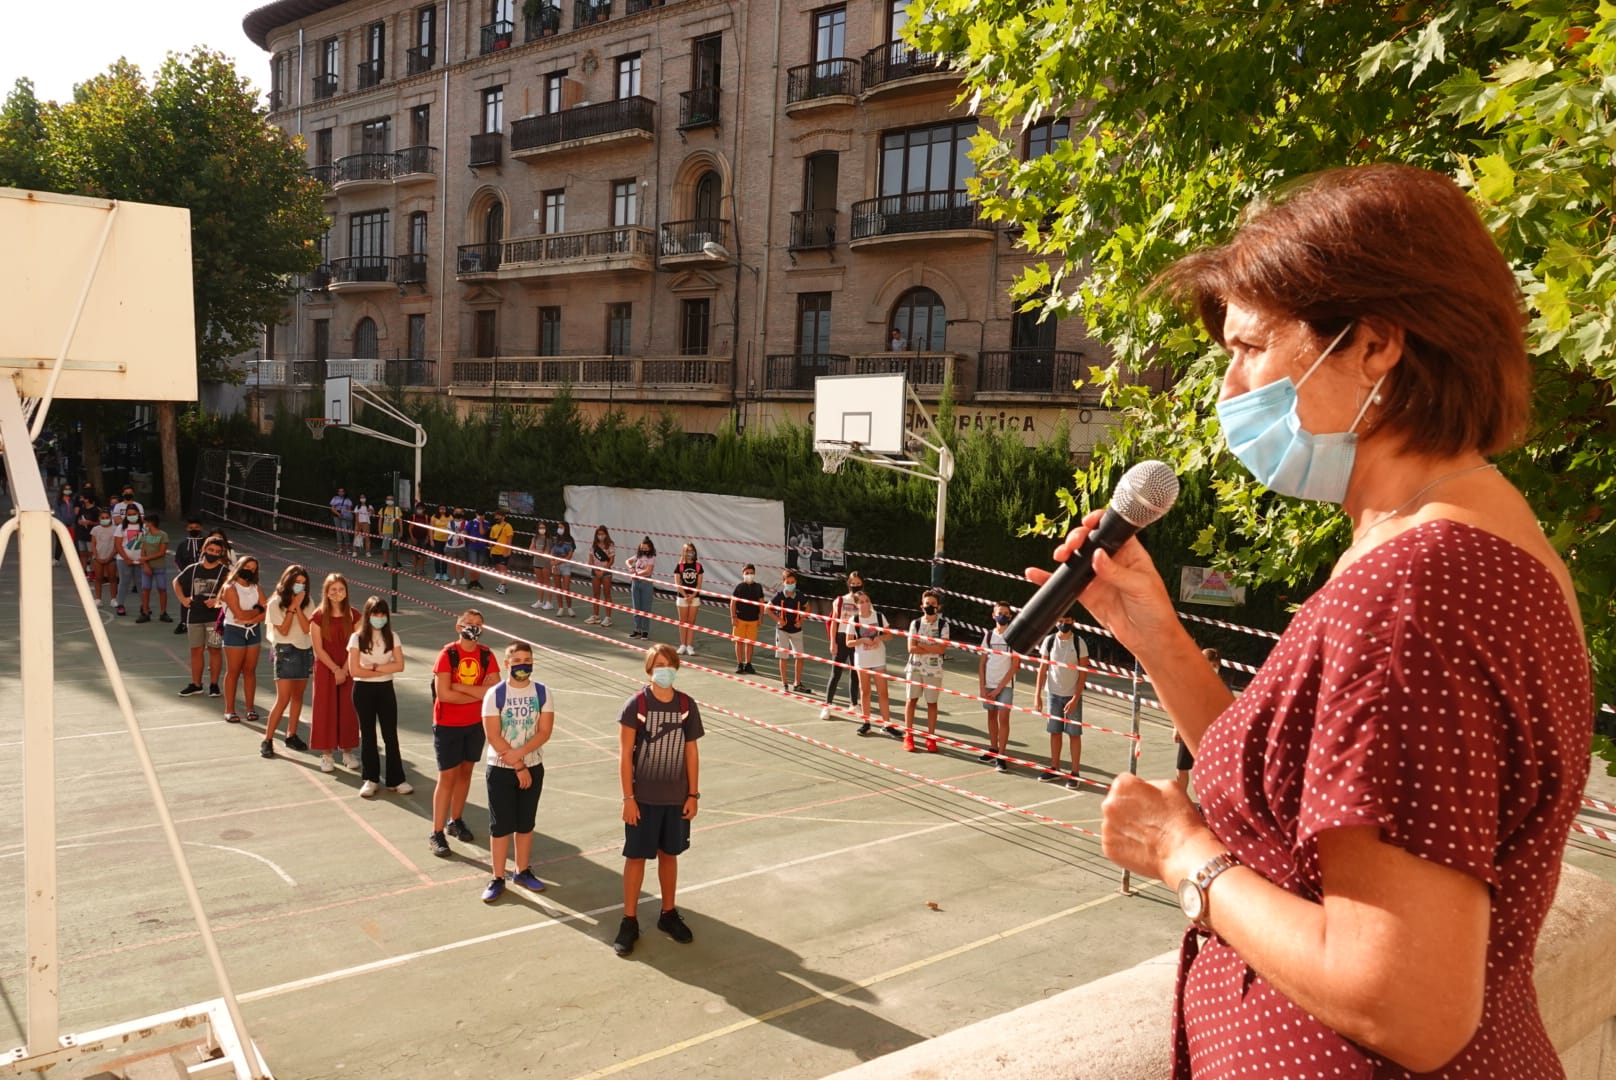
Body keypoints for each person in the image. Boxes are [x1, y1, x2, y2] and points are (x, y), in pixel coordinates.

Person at [1053, 164, 1593, 1078]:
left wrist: (1186, 856)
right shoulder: (1465, 536)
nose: (1229, 390)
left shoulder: (1417, 587)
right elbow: (1298, 789)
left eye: (1253, 348)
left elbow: (1407, 1003)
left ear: (1376, 344)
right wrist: (1153, 632)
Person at [611, 643, 703, 957]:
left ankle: (668, 913)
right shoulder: (636, 705)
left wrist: (692, 794)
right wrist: (628, 798)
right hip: (643, 798)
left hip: (675, 799)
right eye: (658, 665)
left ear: (676, 667)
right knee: (636, 857)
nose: (664, 670)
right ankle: (629, 919)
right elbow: (625, 757)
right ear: (649, 670)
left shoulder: (686, 705)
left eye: (669, 664)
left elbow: (691, 751)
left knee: (669, 854)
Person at [479, 641, 553, 901]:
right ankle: (497, 877)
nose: (523, 664)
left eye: (527, 659)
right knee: (500, 827)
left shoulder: (542, 692)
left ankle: (521, 870)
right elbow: (493, 734)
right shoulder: (495, 694)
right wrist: (517, 765)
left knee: (525, 823)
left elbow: (544, 731)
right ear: (506, 663)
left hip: (532, 767)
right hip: (501, 769)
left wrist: (521, 758)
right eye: (517, 659)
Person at [429, 609, 501, 857]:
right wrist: (474, 691)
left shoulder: (486, 655)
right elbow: (444, 694)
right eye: (469, 623)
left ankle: (455, 820)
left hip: (474, 724)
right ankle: (436, 832)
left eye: (478, 624)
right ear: (458, 627)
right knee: (447, 776)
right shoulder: (447, 654)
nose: (473, 627)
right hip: (448, 724)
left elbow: (493, 692)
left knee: (466, 772)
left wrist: (459, 687)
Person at [347, 596, 410, 798]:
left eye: (383, 614)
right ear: (368, 615)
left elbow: (400, 665)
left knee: (390, 734)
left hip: (385, 689)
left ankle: (396, 779)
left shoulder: (393, 636)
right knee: (368, 734)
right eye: (375, 613)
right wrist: (384, 669)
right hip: (363, 690)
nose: (379, 618)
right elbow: (354, 669)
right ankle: (371, 779)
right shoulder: (356, 638)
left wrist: (373, 667)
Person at [309, 573, 361, 773]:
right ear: (327, 592)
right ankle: (327, 754)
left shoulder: (354, 615)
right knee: (324, 709)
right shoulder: (318, 617)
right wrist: (335, 669)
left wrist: (345, 669)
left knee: (348, 709)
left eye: (341, 589)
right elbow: (318, 649)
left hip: (349, 668)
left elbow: (357, 645)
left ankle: (348, 751)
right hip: (326, 668)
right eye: (333, 590)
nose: (337, 593)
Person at [262, 564, 315, 757]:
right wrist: (291, 608)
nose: (300, 586)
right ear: (288, 582)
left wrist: (299, 608)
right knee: (283, 698)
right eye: (296, 582)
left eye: (303, 583)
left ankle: (291, 734)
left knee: (298, 696)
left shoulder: (308, 602)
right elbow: (282, 630)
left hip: (304, 649)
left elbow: (306, 628)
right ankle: (267, 739)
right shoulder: (275, 603)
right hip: (285, 650)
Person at [1033, 617, 1089, 788]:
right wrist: (1037, 695)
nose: (1063, 623)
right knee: (1054, 731)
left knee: (1074, 734)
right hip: (1053, 695)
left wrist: (1075, 698)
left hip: (1072, 696)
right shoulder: (1049, 641)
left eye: (1067, 620)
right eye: (1060, 619)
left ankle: (1074, 773)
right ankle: (1054, 768)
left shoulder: (1079, 643)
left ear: (1073, 621)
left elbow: (1083, 673)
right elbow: (1042, 669)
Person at [173, 535, 230, 698]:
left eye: (217, 552)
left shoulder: (224, 572)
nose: (213, 553)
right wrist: (183, 599)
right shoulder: (193, 569)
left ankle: (214, 684)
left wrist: (218, 599)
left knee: (214, 650)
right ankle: (196, 684)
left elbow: (232, 591)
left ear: (221, 554)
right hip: (195, 616)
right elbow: (176, 582)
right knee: (196, 650)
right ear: (203, 549)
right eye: (210, 550)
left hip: (215, 617)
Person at [217, 555, 266, 725]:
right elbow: (239, 614)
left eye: (253, 569)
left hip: (253, 631)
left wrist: (253, 618)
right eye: (247, 567)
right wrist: (257, 610)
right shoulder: (229, 588)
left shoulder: (256, 587)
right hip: (234, 631)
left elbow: (266, 611)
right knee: (233, 670)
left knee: (250, 670)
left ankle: (250, 708)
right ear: (239, 567)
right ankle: (229, 709)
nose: (250, 571)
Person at [900, 589, 951, 752]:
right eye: (927, 604)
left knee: (931, 703)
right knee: (911, 700)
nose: (930, 606)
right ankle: (908, 735)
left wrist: (922, 645)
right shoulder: (915, 623)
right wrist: (931, 647)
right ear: (922, 605)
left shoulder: (943, 625)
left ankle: (931, 737)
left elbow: (942, 649)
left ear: (939, 607)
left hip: (934, 670)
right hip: (915, 668)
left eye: (933, 604)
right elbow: (911, 648)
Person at [844, 590, 894, 737]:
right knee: (865, 692)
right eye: (861, 602)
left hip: (878, 659)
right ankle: (866, 723)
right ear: (856, 605)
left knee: (883, 693)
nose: (865, 604)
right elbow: (848, 642)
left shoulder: (878, 616)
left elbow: (889, 635)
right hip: (863, 660)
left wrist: (880, 638)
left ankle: (887, 724)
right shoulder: (854, 620)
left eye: (867, 600)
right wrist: (862, 640)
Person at [977, 601, 1019, 772]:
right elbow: (982, 663)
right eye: (999, 612)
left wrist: (999, 689)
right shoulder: (988, 636)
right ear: (993, 615)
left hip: (1005, 686)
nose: (1002, 615)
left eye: (1005, 613)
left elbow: (1015, 664)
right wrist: (982, 687)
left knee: (1004, 718)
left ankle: (1002, 755)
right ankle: (993, 748)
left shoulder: (1013, 636)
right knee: (991, 716)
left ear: (1010, 616)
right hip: (988, 683)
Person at [818, 570, 863, 720]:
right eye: (853, 583)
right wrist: (833, 642)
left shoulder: (864, 601)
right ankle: (827, 705)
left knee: (855, 672)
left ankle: (854, 703)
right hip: (841, 638)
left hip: (857, 639)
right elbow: (833, 622)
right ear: (848, 584)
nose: (855, 586)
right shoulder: (840, 600)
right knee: (835, 673)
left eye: (858, 583)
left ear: (862, 584)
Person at [1176, 648, 1222, 795]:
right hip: (1189, 729)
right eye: (1209, 665)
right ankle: (1181, 799)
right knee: (1181, 768)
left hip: (1207, 733)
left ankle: (1206, 803)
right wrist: (1177, 727)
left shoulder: (1218, 685)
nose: (1212, 669)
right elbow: (1181, 704)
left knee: (1204, 770)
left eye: (1215, 666)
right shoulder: (1190, 680)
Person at [769, 569, 809, 692]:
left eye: (792, 582)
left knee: (800, 656)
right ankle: (784, 683)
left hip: (796, 630)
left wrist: (801, 620)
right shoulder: (779, 596)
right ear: (783, 582)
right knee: (783, 657)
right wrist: (778, 619)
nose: (790, 584)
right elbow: (767, 608)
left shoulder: (800, 596)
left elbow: (807, 608)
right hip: (782, 630)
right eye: (788, 582)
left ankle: (797, 683)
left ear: (795, 582)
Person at [134, 512, 172, 623]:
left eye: (146, 522)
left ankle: (163, 612)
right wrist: (145, 564)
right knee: (146, 589)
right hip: (147, 567)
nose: (144, 524)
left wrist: (146, 559)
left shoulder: (162, 535)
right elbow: (143, 551)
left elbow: (162, 552)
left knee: (162, 589)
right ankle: (145, 612)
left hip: (159, 566)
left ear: (150, 523)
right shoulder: (145, 535)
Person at [729, 563, 766, 674]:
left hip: (753, 620)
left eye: (751, 573)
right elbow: (733, 603)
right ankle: (739, 663)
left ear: (754, 574)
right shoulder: (739, 587)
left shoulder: (758, 587)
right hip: (740, 619)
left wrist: (760, 616)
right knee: (739, 642)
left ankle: (748, 663)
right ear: (743, 574)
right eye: (747, 573)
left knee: (750, 643)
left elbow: (761, 603)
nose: (749, 575)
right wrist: (733, 616)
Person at [173, 517, 206, 635]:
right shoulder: (183, 544)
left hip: (203, 577)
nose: (194, 529)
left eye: (196, 527)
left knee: (203, 599)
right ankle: (184, 623)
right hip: (187, 577)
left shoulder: (205, 542)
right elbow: (177, 559)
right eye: (191, 528)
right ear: (187, 528)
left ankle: (203, 623)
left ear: (201, 528)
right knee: (185, 599)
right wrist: (185, 572)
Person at [113, 503, 145, 617]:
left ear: (138, 514)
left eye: (134, 514)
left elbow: (147, 544)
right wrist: (126, 558)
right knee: (124, 582)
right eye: (129, 514)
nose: (132, 516)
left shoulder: (144, 528)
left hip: (140, 560)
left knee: (141, 583)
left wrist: (144, 558)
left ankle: (144, 605)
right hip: (123, 560)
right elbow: (118, 545)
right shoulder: (121, 527)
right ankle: (120, 604)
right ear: (126, 516)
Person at [672, 543, 703, 654]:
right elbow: (677, 583)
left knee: (691, 621)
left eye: (692, 551)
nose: (690, 553)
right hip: (682, 597)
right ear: (684, 552)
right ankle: (683, 645)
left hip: (694, 597)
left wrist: (693, 595)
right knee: (683, 621)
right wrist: (685, 596)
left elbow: (699, 584)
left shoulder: (698, 566)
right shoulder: (679, 566)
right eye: (687, 551)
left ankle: (690, 646)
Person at [89, 508, 120, 608]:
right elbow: (93, 544)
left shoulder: (116, 529)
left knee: (112, 578)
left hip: (111, 557)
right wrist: (96, 556)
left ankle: (113, 599)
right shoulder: (95, 529)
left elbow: (117, 545)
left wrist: (110, 556)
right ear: (99, 518)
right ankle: (98, 599)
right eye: (102, 518)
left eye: (107, 517)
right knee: (98, 578)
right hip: (98, 557)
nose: (105, 519)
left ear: (110, 518)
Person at [626, 538, 657, 639]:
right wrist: (631, 568)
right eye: (642, 548)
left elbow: (648, 571)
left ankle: (645, 631)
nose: (644, 550)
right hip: (635, 582)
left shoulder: (651, 557)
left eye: (646, 548)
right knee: (636, 607)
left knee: (645, 607)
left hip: (645, 582)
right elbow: (627, 561)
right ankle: (637, 629)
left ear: (650, 548)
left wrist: (637, 574)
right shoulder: (638, 556)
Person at [587, 526, 616, 624]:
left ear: (606, 534)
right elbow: (590, 559)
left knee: (607, 594)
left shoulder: (610, 545)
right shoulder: (594, 545)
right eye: (598, 534)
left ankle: (608, 617)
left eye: (602, 534)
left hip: (606, 572)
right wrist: (595, 569)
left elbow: (611, 560)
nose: (600, 536)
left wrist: (603, 570)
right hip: (595, 572)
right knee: (596, 594)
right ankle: (596, 616)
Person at [549, 522, 577, 617]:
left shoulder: (570, 540)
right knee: (558, 588)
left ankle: (570, 608)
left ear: (566, 528)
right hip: (556, 565)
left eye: (561, 527)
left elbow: (569, 555)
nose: (559, 529)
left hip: (566, 565)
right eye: (558, 527)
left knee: (566, 588)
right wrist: (553, 562)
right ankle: (561, 608)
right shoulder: (555, 539)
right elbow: (552, 551)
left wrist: (558, 562)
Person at [488, 509, 515, 593]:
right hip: (495, 551)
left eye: (499, 516)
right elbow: (491, 539)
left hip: (503, 551)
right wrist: (491, 550)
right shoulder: (494, 527)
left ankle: (503, 585)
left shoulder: (508, 526)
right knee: (498, 568)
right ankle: (501, 583)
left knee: (503, 568)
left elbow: (509, 539)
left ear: (503, 517)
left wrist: (507, 550)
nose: (497, 518)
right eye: (496, 516)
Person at [528, 519, 553, 609]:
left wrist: (538, 551)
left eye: (543, 527)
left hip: (545, 563)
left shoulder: (549, 539)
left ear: (546, 528)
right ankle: (540, 601)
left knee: (547, 582)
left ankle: (549, 602)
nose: (541, 529)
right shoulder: (535, 538)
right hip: (537, 562)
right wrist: (537, 551)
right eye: (540, 527)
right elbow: (530, 550)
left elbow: (546, 552)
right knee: (539, 582)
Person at [464, 509, 489, 590]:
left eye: (482, 515)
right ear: (476, 514)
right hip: (472, 547)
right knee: (473, 564)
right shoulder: (471, 522)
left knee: (479, 566)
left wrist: (481, 522)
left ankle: (476, 581)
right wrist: (471, 538)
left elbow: (482, 533)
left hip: (481, 547)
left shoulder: (486, 523)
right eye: (479, 514)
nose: (481, 516)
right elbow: (465, 532)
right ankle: (472, 581)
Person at [444, 508, 469, 587]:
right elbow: (448, 534)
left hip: (461, 545)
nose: (458, 513)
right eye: (456, 512)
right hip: (451, 546)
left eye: (459, 512)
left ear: (463, 513)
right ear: (454, 513)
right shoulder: (450, 523)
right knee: (452, 563)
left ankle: (462, 578)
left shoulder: (466, 523)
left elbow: (467, 533)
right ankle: (454, 579)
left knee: (461, 563)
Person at [378, 495, 404, 568]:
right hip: (386, 531)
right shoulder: (383, 509)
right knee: (385, 547)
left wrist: (401, 531)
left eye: (391, 499)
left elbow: (400, 521)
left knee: (397, 547)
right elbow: (380, 521)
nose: (389, 501)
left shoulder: (396, 509)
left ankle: (397, 561)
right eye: (388, 499)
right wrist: (380, 531)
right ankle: (385, 562)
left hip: (395, 531)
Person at [429, 504, 451, 581]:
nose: (442, 510)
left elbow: (452, 528)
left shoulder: (450, 517)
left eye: (443, 509)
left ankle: (444, 573)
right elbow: (431, 529)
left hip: (447, 540)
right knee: (437, 558)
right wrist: (431, 540)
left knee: (445, 558)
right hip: (437, 539)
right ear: (438, 509)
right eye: (440, 509)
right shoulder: (434, 517)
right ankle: (438, 573)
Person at [409, 502, 432, 575]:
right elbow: (410, 528)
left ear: (424, 509)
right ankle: (414, 569)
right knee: (414, 554)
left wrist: (427, 537)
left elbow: (428, 528)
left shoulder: (426, 517)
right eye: (418, 509)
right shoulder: (413, 517)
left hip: (423, 538)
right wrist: (412, 537)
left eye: (421, 509)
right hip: (415, 537)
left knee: (423, 554)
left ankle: (421, 569)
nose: (419, 510)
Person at [329, 486, 354, 552]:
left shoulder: (347, 500)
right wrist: (338, 514)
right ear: (337, 492)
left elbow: (349, 510)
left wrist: (346, 516)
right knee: (338, 532)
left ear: (344, 492)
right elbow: (332, 508)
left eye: (342, 491)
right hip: (336, 516)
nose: (341, 492)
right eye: (339, 491)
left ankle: (348, 548)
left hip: (345, 517)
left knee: (345, 531)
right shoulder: (335, 498)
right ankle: (340, 548)